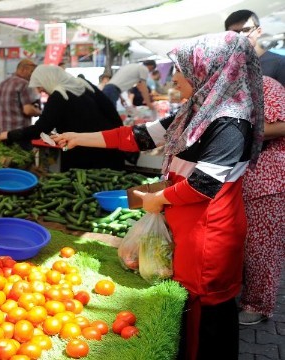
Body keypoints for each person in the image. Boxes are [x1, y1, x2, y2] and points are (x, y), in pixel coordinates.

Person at [52, 32, 264, 360]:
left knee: (205, 318)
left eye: (182, 69)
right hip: (186, 226)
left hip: (209, 236)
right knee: (183, 310)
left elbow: (205, 184)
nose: (174, 77)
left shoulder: (230, 120)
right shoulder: (196, 112)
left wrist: (157, 200)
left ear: (208, 70)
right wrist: (79, 138)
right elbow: (138, 137)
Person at [0, 65, 125, 171]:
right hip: (109, 149)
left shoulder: (59, 95)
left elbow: (41, 129)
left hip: (86, 156)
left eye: (41, 87)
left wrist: (9, 135)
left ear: (48, 80)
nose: (42, 91)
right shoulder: (85, 85)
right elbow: (113, 115)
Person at [238, 76, 285, 325]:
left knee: (262, 247)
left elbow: (282, 124)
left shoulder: (264, 84)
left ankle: (257, 304)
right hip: (245, 178)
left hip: (269, 180)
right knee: (247, 242)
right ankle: (247, 292)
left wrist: (236, 130)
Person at [225, 9, 285, 86]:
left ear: (259, 31)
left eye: (246, 30)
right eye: (235, 32)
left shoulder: (279, 64)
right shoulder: (225, 68)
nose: (241, 35)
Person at [0, 59, 41, 132]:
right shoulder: (24, 84)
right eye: (31, 72)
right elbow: (28, 110)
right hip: (18, 134)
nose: (32, 75)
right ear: (23, 69)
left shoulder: (0, 85)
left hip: (2, 133)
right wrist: (40, 112)